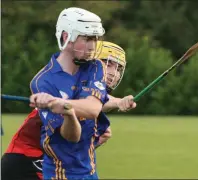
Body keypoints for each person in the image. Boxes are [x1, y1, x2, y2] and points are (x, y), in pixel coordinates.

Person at [1, 39, 135, 180]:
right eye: (107, 64)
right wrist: (118, 102)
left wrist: (94, 141)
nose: (113, 73)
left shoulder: (89, 94)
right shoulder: (68, 87)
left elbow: (98, 102)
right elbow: (92, 105)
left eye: (118, 68)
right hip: (26, 157)